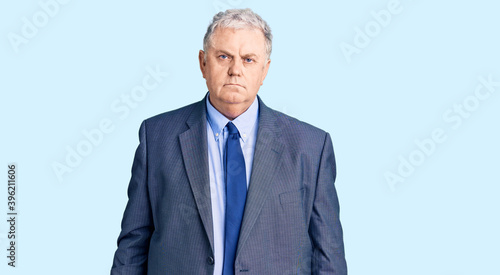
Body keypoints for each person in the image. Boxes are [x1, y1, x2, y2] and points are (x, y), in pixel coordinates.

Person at [111, 8, 347, 275]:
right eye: (223, 57)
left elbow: (328, 258)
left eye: (248, 59)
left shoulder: (311, 147)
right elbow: (133, 247)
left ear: (264, 70)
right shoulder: (156, 137)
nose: (235, 70)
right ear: (203, 63)